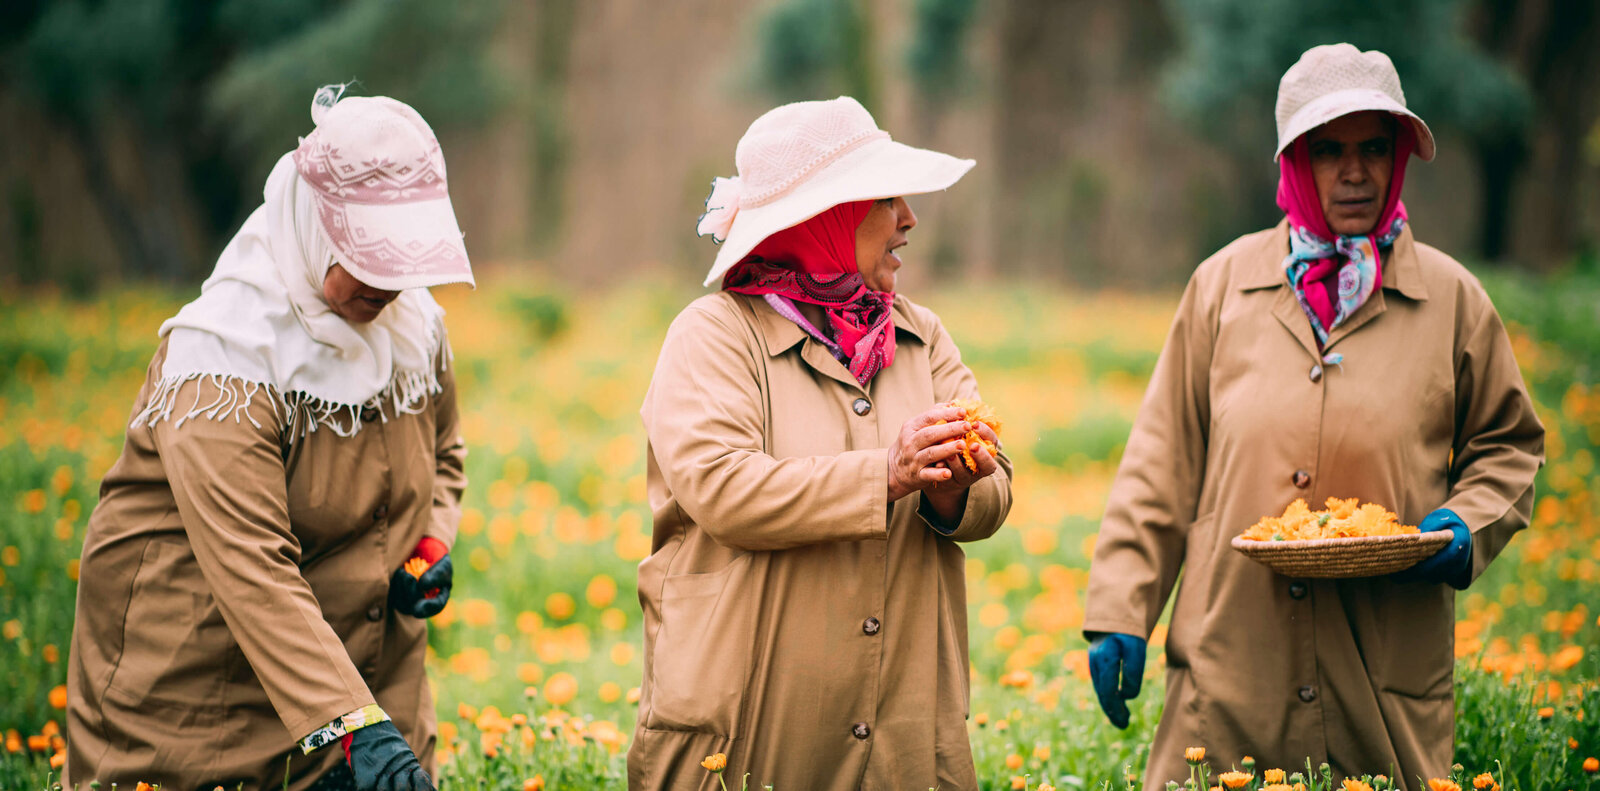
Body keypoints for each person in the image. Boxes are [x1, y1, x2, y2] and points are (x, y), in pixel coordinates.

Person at [1082, 44, 1545, 789]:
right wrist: (1120, 610)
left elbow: (1509, 444)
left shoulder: (1454, 301)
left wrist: (1469, 523)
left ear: (1399, 157)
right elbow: (1161, 461)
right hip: (1229, 679)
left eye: (1373, 148)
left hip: (1381, 682)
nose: (1354, 171)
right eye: (1328, 150)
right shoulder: (1221, 288)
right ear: (1294, 161)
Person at [65, 86, 473, 791]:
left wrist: (430, 540)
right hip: (204, 706)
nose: (386, 284)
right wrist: (352, 722)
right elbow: (252, 565)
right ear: (315, 226)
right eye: (366, 257)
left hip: (365, 689)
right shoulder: (225, 356)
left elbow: (444, 452)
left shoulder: (413, 330)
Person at [628, 96, 1013, 790]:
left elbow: (995, 490)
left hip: (901, 729)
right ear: (823, 217)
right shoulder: (714, 334)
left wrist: (958, 490)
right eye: (885, 200)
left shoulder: (921, 335)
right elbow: (723, 488)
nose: (908, 220)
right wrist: (888, 474)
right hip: (750, 728)